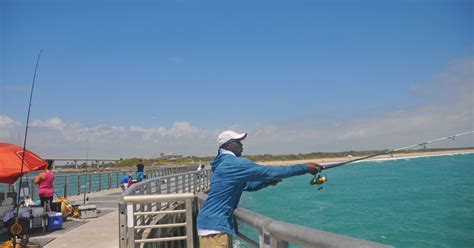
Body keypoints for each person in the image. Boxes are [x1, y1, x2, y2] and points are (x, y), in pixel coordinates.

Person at [197, 130, 321, 248]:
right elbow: (269, 171)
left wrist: (266, 182)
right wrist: (304, 168)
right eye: (238, 142)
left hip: (213, 224)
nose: (242, 144)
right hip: (215, 228)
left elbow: (247, 185)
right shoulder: (233, 163)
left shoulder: (223, 164)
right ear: (228, 145)